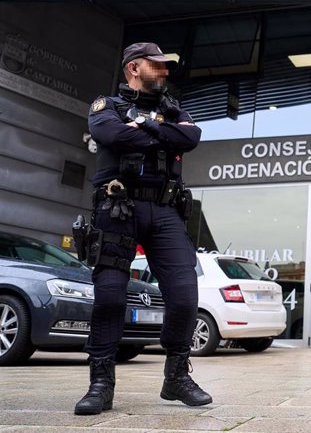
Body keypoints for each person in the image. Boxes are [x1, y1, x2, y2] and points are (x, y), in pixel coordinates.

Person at [74, 42, 211, 415]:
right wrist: (164, 133)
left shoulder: (173, 110)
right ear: (134, 68)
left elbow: (192, 138)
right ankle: (101, 384)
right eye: (158, 65)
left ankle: (176, 378)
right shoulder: (107, 107)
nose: (165, 71)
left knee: (184, 295)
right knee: (110, 297)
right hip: (118, 207)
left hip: (166, 211)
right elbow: (114, 136)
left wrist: (149, 124)